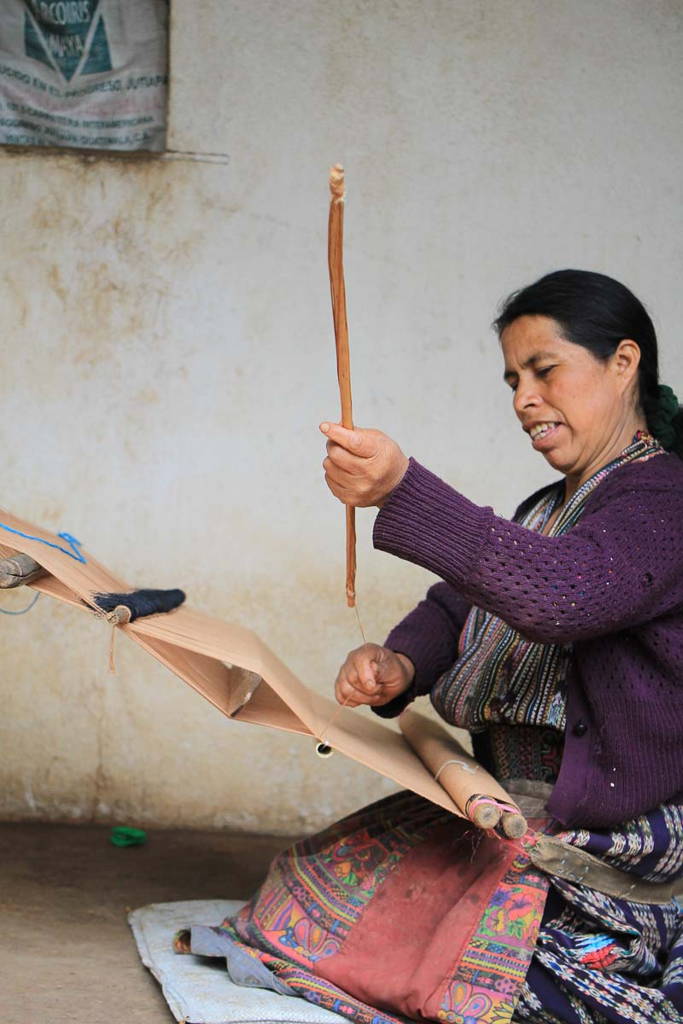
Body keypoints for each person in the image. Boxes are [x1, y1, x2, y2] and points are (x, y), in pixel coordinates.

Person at [184, 270, 683, 1024]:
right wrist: (400, 664)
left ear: (622, 363)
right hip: (500, 811)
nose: (522, 399)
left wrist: (402, 488)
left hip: (598, 843)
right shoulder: (551, 507)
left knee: (473, 972)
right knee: (302, 890)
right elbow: (460, 602)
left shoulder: (662, 500)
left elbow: (559, 592)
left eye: (544, 371)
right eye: (513, 379)